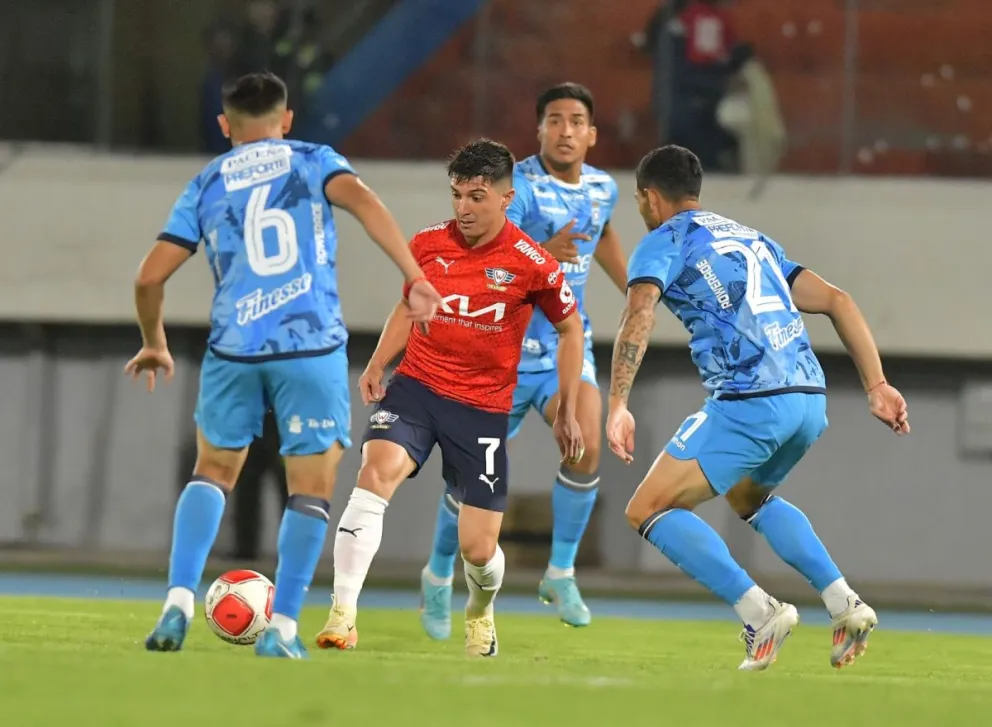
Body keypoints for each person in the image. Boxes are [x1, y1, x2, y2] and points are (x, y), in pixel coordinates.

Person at [126, 71, 441, 660]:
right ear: (287, 119)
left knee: (212, 472)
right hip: (309, 345)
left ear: (225, 126)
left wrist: (155, 341)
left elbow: (148, 277)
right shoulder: (314, 159)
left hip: (233, 349)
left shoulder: (206, 182)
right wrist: (414, 275)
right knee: (311, 490)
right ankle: (284, 629)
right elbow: (366, 203)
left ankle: (175, 603)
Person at [606, 145, 909, 671]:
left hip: (750, 399)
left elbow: (639, 313)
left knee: (648, 508)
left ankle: (760, 611)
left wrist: (618, 403)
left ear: (650, 198)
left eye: (640, 203)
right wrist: (877, 384)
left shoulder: (664, 241)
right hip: (808, 400)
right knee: (750, 496)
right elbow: (838, 299)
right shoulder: (752, 238)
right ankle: (844, 604)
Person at [314, 138, 586, 657]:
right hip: (417, 387)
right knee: (374, 474)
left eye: (476, 196)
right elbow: (408, 307)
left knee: (478, 550)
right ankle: (342, 614)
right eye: (457, 194)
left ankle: (480, 613)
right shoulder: (427, 244)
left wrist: (568, 409)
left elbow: (570, 330)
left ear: (507, 198)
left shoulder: (533, 264)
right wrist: (378, 363)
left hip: (482, 409)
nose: (462, 208)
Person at [419, 83, 626, 636]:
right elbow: (485, 241)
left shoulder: (604, 187)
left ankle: (560, 572)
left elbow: (599, 234)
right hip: (499, 354)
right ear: (538, 131)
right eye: (554, 120)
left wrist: (637, 288)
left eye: (576, 120)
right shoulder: (520, 187)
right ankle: (438, 578)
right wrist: (538, 252)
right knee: (469, 482)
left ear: (591, 134)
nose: (565, 130)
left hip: (561, 346)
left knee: (585, 440)